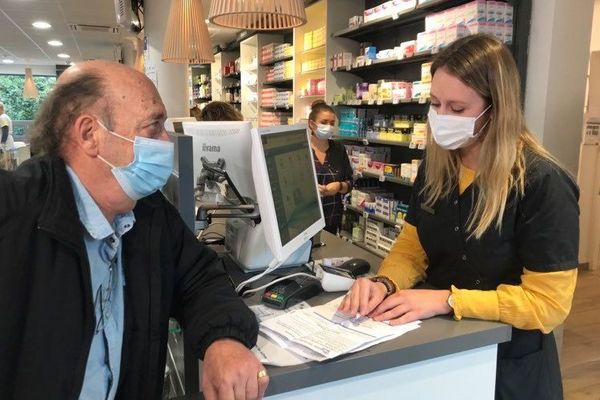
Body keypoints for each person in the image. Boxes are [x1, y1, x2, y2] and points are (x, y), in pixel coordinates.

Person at [0, 61, 269, 400]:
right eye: (154, 126)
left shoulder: (149, 212)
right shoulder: (15, 214)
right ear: (89, 135)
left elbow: (200, 278)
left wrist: (224, 339)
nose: (167, 140)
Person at [339, 34, 579, 400]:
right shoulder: (439, 167)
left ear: (496, 109)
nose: (441, 118)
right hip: (444, 355)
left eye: (457, 108)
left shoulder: (542, 182)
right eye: (435, 104)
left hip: (510, 365)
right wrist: (385, 283)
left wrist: (446, 301)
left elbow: (548, 305)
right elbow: (411, 247)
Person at [308, 100, 353, 234]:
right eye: (324, 122)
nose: (328, 126)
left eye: (332, 123)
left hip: (332, 218)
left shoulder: (338, 149)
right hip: (306, 221)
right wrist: (310, 189)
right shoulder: (301, 149)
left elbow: (350, 182)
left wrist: (339, 186)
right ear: (312, 124)